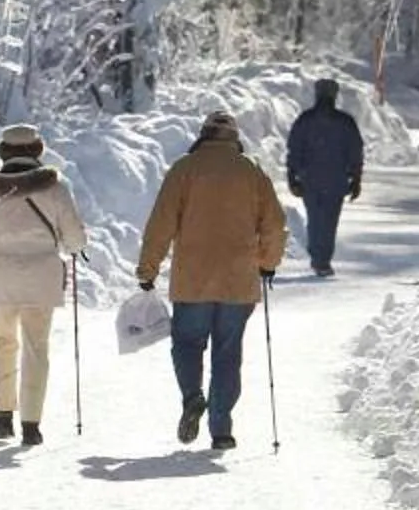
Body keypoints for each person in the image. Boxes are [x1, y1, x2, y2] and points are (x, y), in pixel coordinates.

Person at [135, 110, 287, 450]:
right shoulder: (251, 172)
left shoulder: (184, 170)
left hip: (193, 280)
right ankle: (222, 430)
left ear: (203, 136)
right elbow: (275, 224)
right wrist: (267, 263)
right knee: (227, 353)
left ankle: (192, 396)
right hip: (239, 280)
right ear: (234, 139)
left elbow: (161, 223)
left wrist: (148, 269)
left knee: (187, 344)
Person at [0, 122, 86, 445]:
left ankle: (3, 419)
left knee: (3, 345)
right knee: (36, 348)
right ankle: (31, 425)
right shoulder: (56, 189)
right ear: (37, 151)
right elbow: (74, 238)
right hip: (40, 281)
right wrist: (72, 247)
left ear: (4, 153)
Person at [285, 75, 364, 276]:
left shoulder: (305, 120)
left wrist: (292, 176)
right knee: (329, 220)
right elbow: (356, 152)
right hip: (336, 179)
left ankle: (317, 255)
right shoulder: (345, 122)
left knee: (315, 217)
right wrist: (356, 180)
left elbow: (294, 150)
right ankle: (322, 259)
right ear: (335, 95)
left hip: (310, 178)